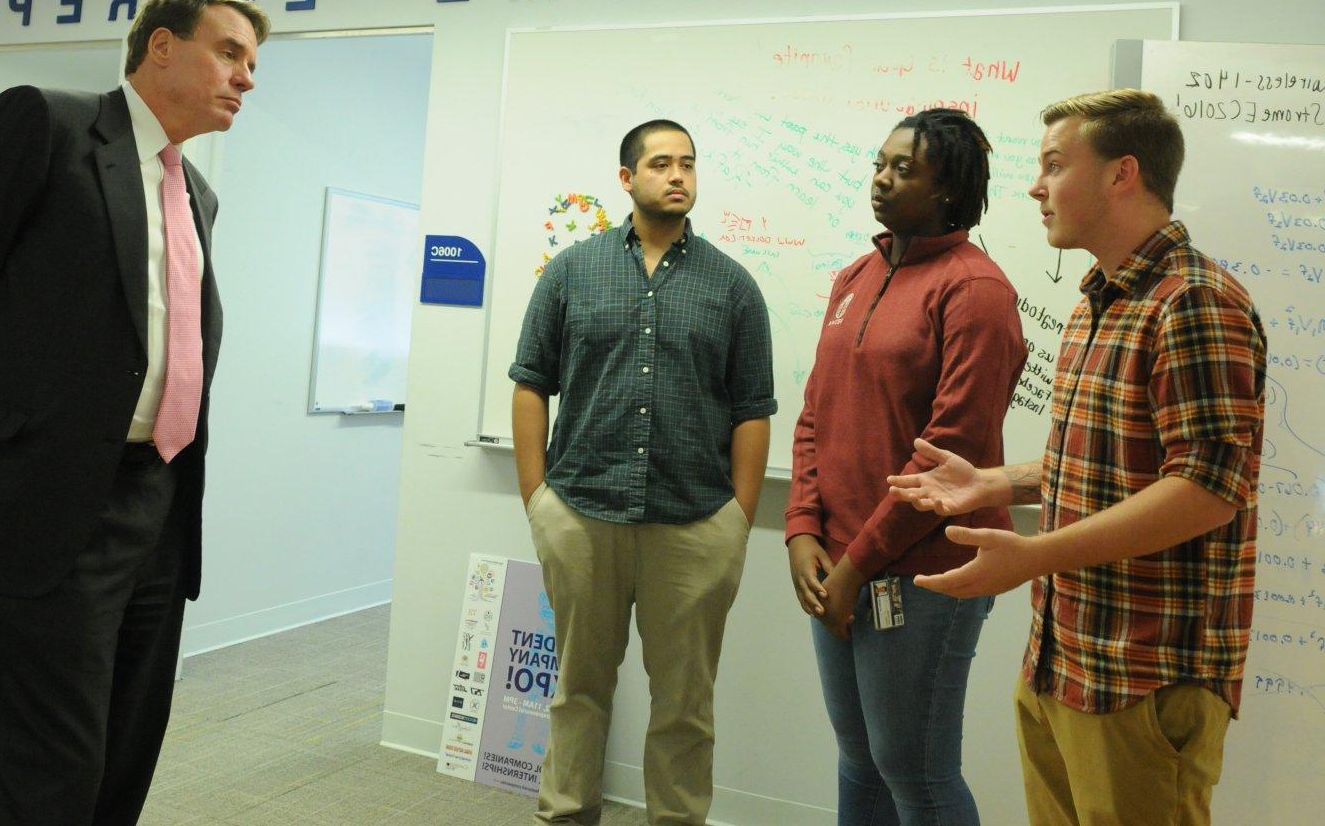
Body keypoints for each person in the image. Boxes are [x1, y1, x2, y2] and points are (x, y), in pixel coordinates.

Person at [0, 0, 268, 825]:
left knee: (121, 756)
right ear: (161, 47)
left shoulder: (197, 193)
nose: (247, 78)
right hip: (48, 503)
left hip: (160, 505)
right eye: (230, 52)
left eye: (252, 62)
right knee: (47, 770)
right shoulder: (45, 125)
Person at [890, 90, 1266, 826]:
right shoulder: (1101, 297)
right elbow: (1117, 463)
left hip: (1145, 675)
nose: (1034, 186)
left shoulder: (1193, 300)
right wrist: (993, 482)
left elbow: (1206, 490)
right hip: (1066, 660)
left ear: (1122, 173)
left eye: (1055, 165)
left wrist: (1033, 556)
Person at [510, 118, 775, 826]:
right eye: (661, 163)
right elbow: (531, 382)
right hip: (582, 514)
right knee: (577, 693)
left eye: (688, 163)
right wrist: (538, 498)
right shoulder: (572, 271)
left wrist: (737, 518)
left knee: (685, 708)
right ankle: (566, 815)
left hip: (692, 525)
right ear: (626, 179)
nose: (678, 175)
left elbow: (753, 409)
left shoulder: (732, 286)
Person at [785, 108, 1026, 825]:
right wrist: (802, 529)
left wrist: (856, 564)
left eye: (904, 169)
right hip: (839, 563)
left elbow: (946, 449)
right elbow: (813, 415)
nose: (882, 181)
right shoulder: (856, 274)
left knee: (917, 775)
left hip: (923, 572)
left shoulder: (975, 290)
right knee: (860, 764)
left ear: (949, 189)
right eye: (879, 165)